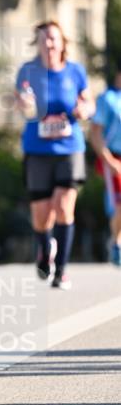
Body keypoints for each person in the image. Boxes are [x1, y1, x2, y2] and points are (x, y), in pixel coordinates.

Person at [15, 20, 94, 289]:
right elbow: (21, 101)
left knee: (63, 207)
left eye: (52, 39)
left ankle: (61, 270)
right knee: (41, 215)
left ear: (62, 43)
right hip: (37, 150)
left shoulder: (75, 71)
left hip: (69, 148)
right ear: (36, 44)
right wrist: (24, 104)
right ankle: (43, 250)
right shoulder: (27, 70)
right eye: (43, 39)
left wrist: (85, 109)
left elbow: (88, 101)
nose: (48, 43)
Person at [89, 62, 121, 266]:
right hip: (114, 157)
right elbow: (95, 133)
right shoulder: (107, 99)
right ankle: (117, 244)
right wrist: (108, 160)